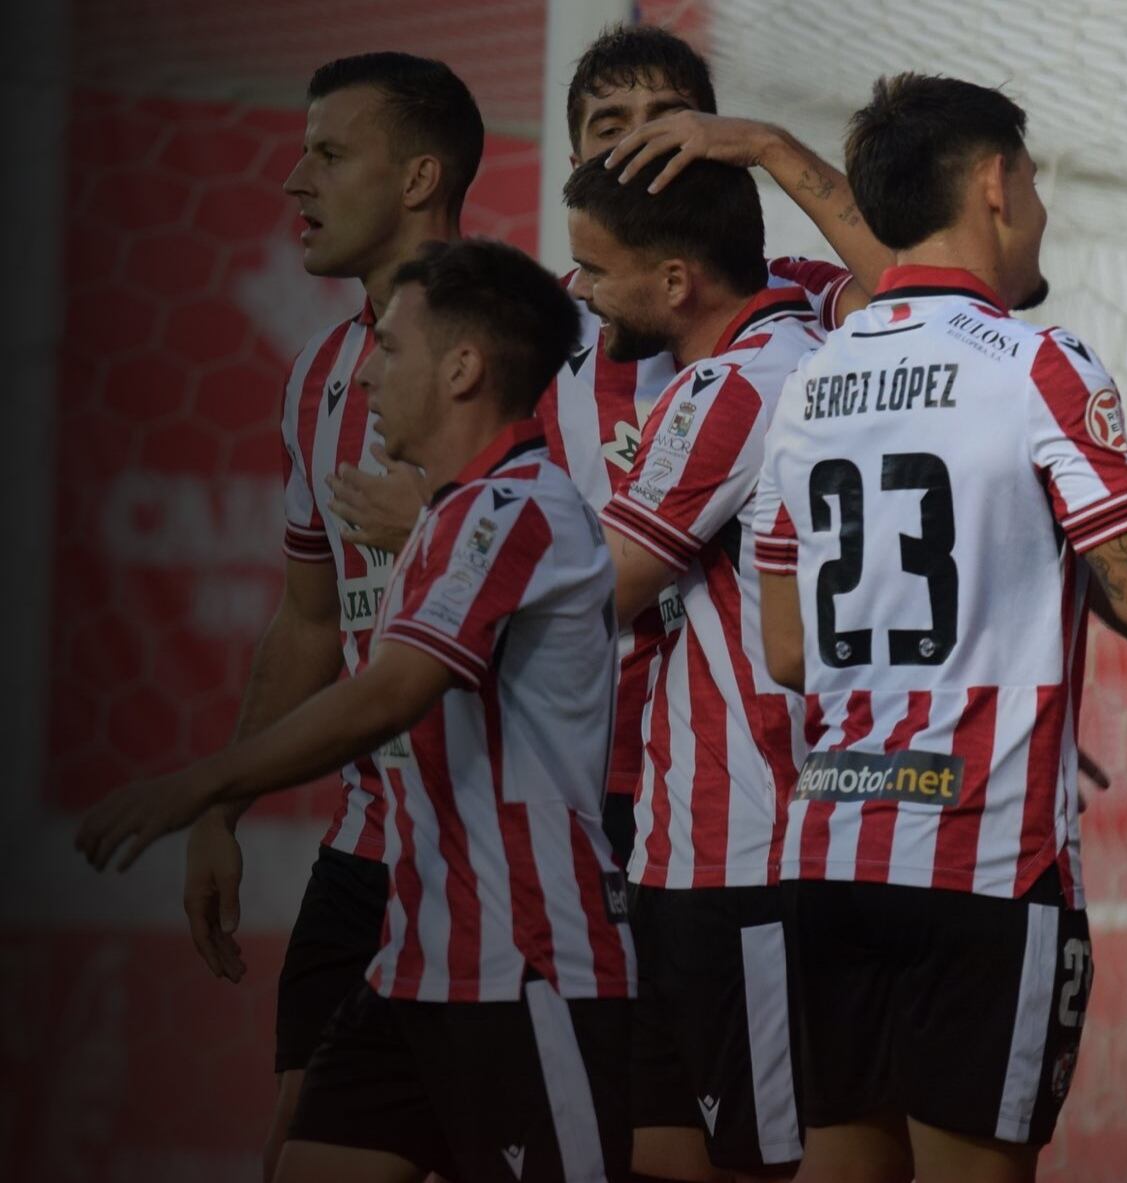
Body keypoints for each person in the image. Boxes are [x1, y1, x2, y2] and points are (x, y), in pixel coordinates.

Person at [78, 238, 634, 1183]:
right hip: (416, 958)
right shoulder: (454, 515)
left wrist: (199, 784)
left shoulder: (516, 508)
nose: (367, 372)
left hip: (527, 958)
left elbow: (390, 692)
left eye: (393, 347)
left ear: (463, 368)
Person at [751, 74, 1127, 1183]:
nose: (1039, 209)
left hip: (827, 854)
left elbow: (788, 650)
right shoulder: (1038, 364)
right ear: (995, 183)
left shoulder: (808, 384)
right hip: (983, 863)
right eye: (1034, 182)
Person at [326, 23, 887, 868]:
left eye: (670, 121)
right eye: (611, 128)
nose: (638, 148)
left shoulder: (788, 296)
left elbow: (922, 294)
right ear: (575, 163)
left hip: (740, 768)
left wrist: (771, 145)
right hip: (568, 745)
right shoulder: (534, 328)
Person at [178, 51, 482, 1183]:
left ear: (418, 178)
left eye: (329, 153)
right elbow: (310, 622)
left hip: (509, 859)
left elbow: (599, 586)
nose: (294, 179)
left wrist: (442, 522)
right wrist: (224, 803)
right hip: (369, 851)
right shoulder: (315, 376)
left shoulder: (541, 351)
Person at [564, 151, 826, 1182]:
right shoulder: (788, 359)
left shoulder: (742, 381)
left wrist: (445, 533)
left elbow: (596, 593)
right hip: (684, 850)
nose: (580, 290)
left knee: (765, 1162)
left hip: (746, 848)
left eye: (596, 269)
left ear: (676, 280)